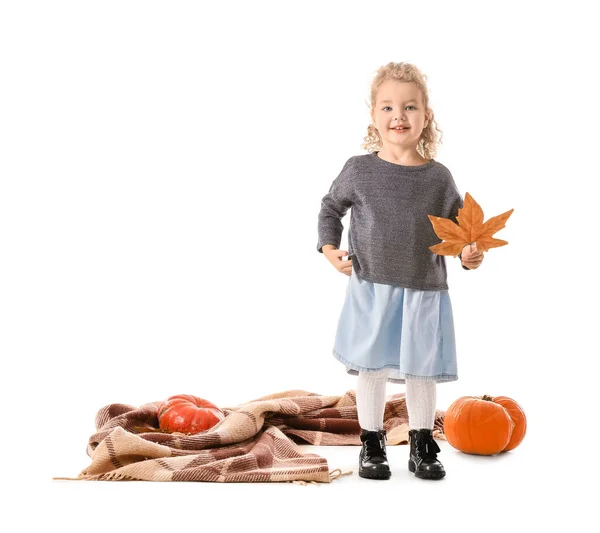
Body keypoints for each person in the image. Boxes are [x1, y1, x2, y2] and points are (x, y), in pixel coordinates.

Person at [316, 62, 484, 481]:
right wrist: (329, 248)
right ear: (373, 115)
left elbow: (461, 230)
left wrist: (468, 255)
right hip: (371, 285)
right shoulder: (359, 170)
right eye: (388, 107)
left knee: (420, 367)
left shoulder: (438, 178)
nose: (399, 116)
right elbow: (330, 207)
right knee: (371, 365)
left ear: (426, 117)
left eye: (410, 107)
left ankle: (421, 442)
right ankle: (371, 441)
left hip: (425, 288)